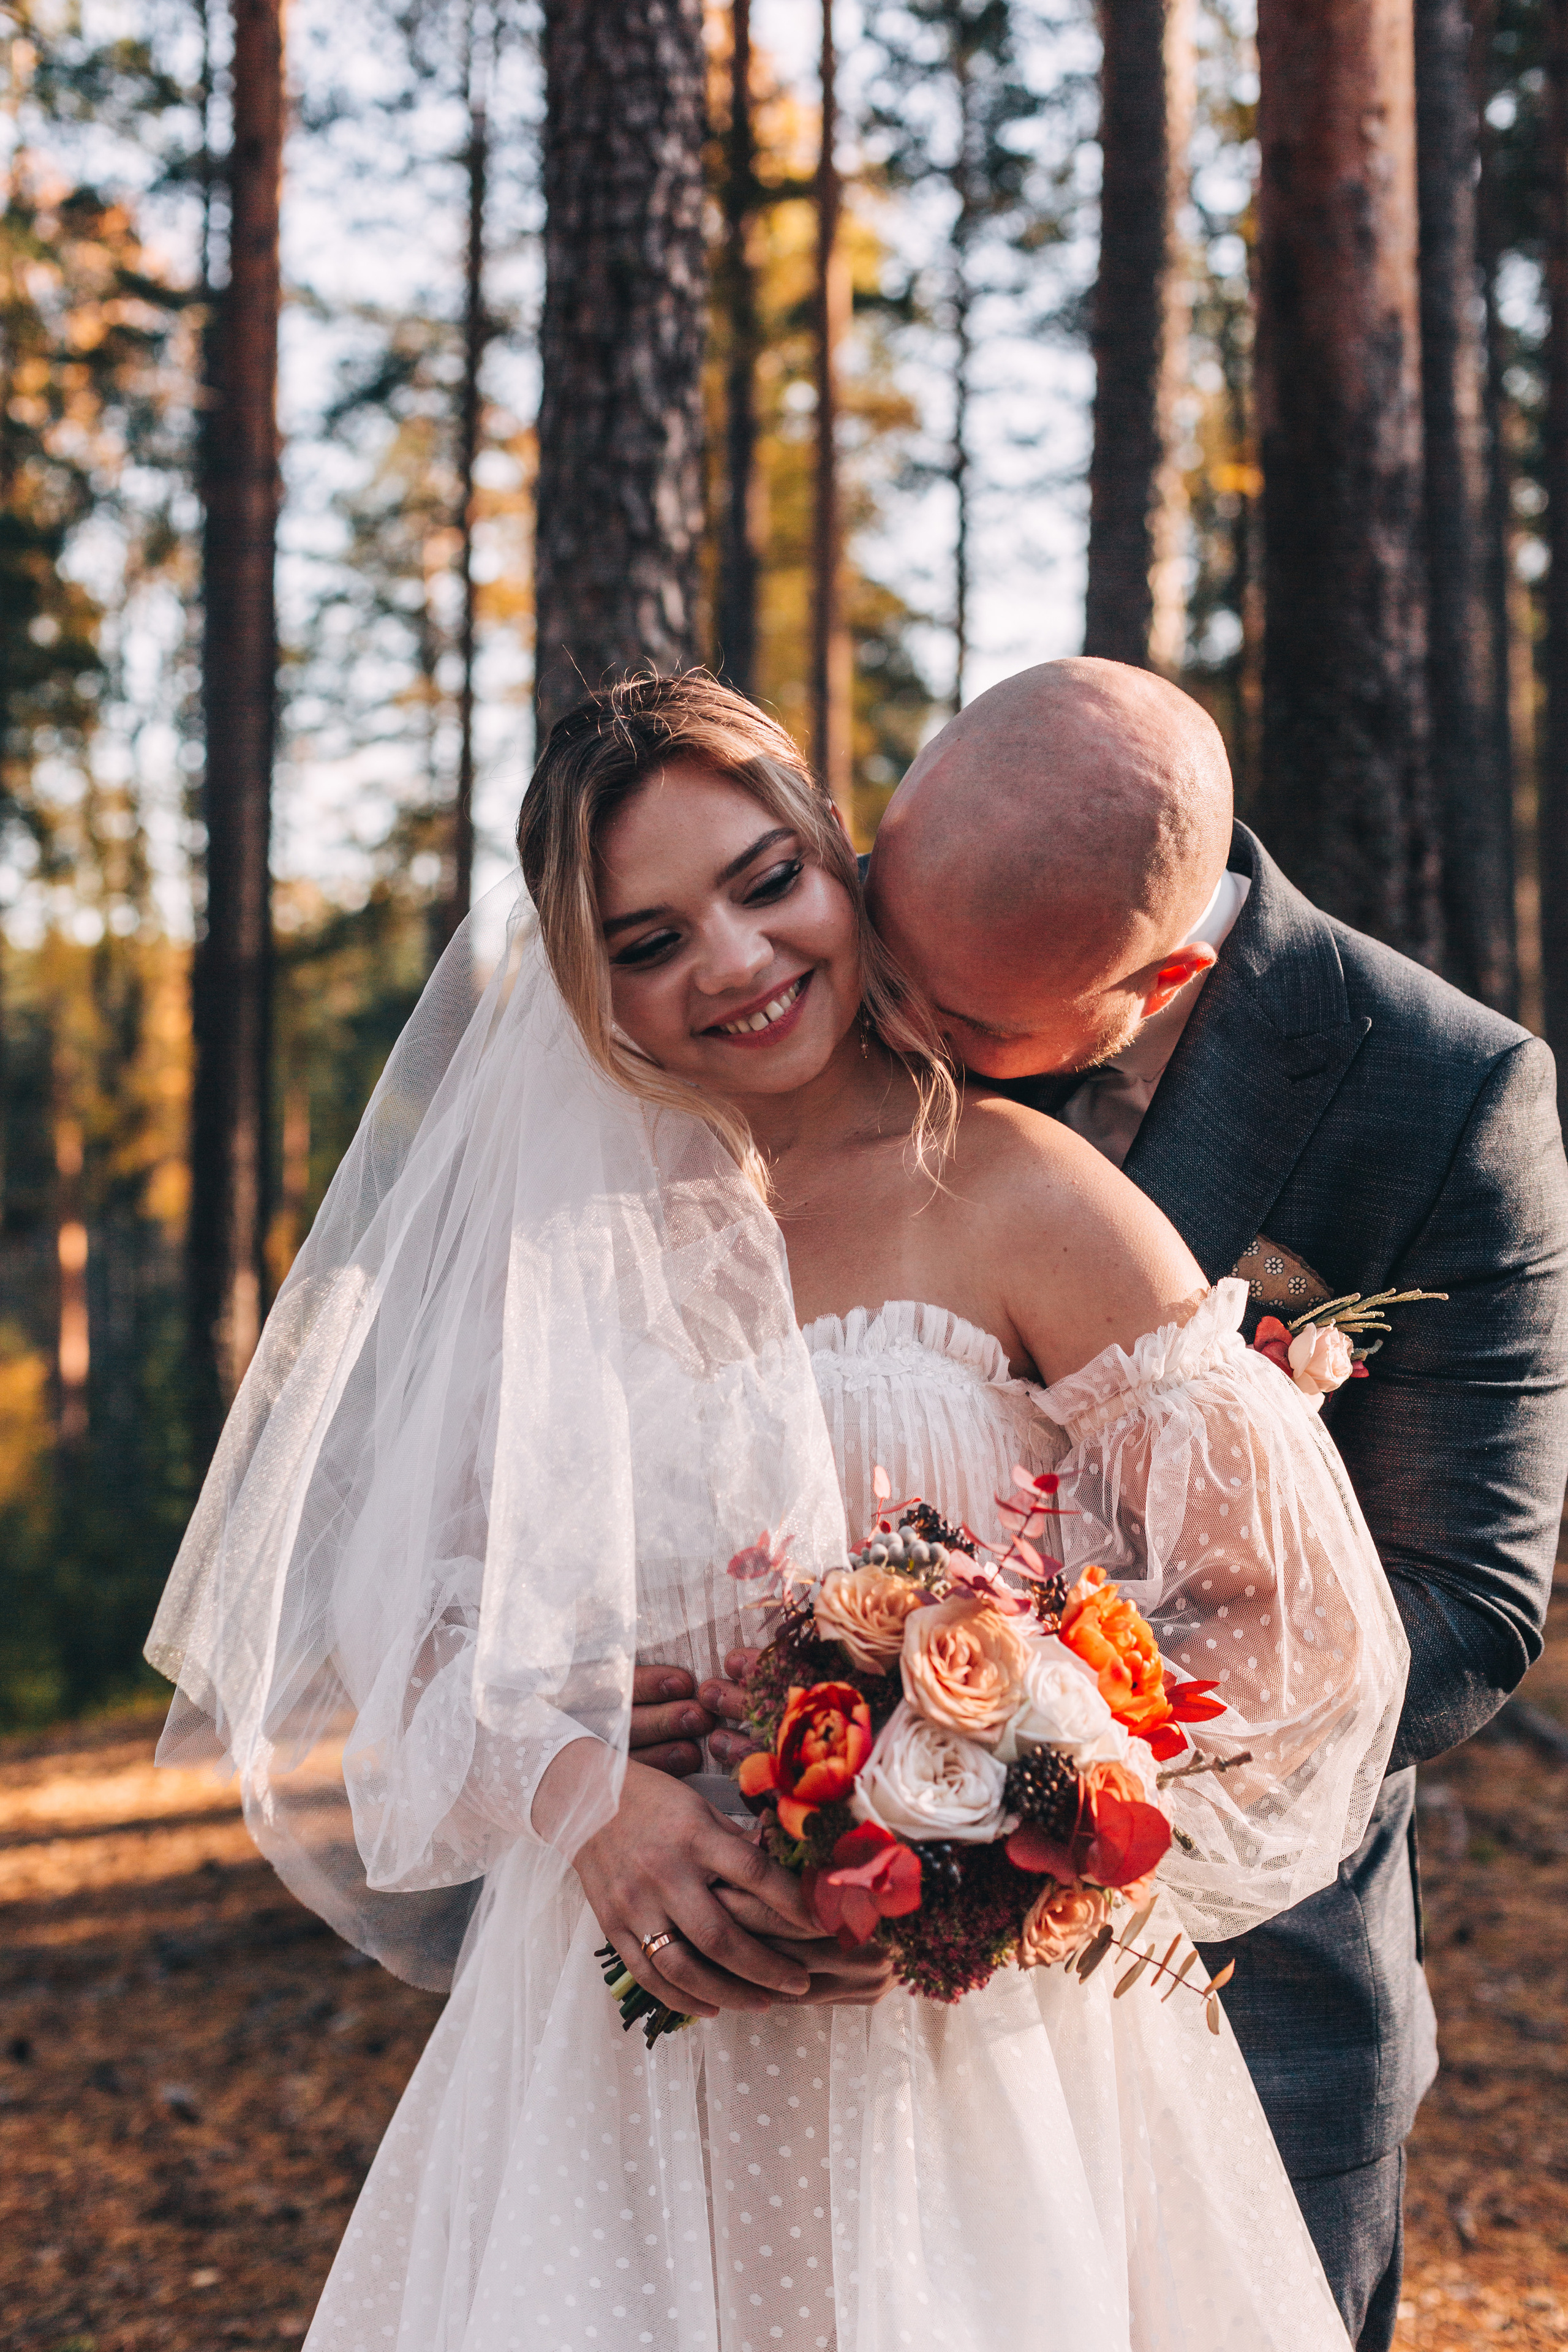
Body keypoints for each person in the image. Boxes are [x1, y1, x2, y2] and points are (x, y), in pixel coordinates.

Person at [148, 672, 1408, 2351]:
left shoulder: (1026, 1196)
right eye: (649, 941)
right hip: (626, 2030)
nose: (734, 964)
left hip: (970, 2049)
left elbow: (1285, 1620)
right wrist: (587, 1796)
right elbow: (414, 1603)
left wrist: (1000, 1831)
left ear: (838, 858)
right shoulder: (566, 1243)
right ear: (588, 987)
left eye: (763, 883)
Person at [635, 658, 1568, 2352]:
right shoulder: (802, 1034)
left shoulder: (1443, 1099)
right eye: (888, 955)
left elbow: (1463, 1598)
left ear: (1168, 981)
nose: (896, 1030)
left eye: (976, 1026)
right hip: (791, 1981)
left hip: (1237, 1970)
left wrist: (1020, 1771)